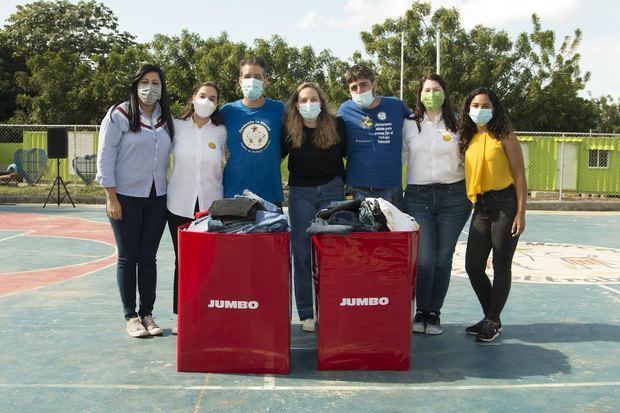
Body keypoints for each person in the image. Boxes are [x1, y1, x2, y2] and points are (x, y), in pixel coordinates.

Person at [96, 63, 174, 338]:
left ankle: (148, 314)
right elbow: (105, 156)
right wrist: (111, 197)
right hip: (125, 197)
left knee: (148, 258)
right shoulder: (119, 115)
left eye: (156, 82)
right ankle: (131, 316)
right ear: (135, 84)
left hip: (156, 197)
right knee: (128, 258)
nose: (150, 88)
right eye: (145, 81)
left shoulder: (166, 118)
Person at [403, 74, 472, 335]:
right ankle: (420, 310)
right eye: (427, 90)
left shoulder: (460, 123)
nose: (431, 94)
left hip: (454, 197)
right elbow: (399, 157)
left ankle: (434, 313)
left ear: (445, 92)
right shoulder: (409, 124)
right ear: (420, 94)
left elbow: (471, 158)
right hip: (418, 197)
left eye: (436, 89)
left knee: (443, 259)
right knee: (425, 260)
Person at [458, 87, 527, 343]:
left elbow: (520, 175)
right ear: (468, 109)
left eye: (486, 106)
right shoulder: (468, 138)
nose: (480, 110)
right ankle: (492, 317)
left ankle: (492, 319)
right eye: (475, 105)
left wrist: (521, 212)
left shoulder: (505, 136)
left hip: (504, 205)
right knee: (473, 266)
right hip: (481, 207)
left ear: (495, 109)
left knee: (501, 265)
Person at [282, 82, 346, 332]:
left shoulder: (337, 125)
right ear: (296, 105)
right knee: (302, 252)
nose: (310, 104)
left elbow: (349, 154)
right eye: (304, 100)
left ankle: (330, 305)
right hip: (301, 194)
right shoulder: (289, 129)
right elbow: (271, 152)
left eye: (314, 99)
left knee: (330, 251)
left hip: (332, 190)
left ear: (322, 101)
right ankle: (307, 312)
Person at [166, 81, 227, 335]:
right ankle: (182, 314)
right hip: (178, 204)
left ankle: (209, 310)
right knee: (184, 262)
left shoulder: (221, 131)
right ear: (193, 98)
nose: (206, 101)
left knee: (209, 263)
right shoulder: (176, 128)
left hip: (211, 207)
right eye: (203, 96)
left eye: (212, 98)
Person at [337, 64, 410, 208]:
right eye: (354, 87)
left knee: (393, 230)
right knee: (359, 231)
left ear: (374, 85)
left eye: (363, 85)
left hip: (391, 188)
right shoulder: (345, 110)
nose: (359, 90)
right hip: (356, 189)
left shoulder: (396, 106)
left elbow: (420, 123)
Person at [221, 56, 285, 205]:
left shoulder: (279, 109)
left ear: (265, 81)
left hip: (270, 193)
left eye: (257, 77)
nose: (252, 80)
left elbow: (293, 138)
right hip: (234, 192)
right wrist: (221, 148)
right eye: (247, 76)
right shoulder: (228, 111)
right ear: (240, 80)